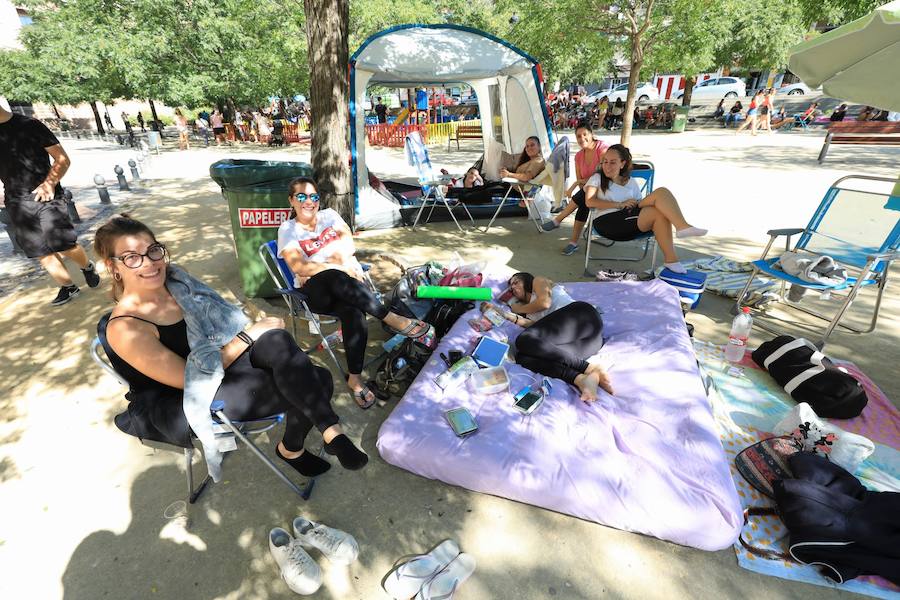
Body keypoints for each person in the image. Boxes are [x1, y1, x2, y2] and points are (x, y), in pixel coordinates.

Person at [95, 215, 368, 475]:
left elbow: (221, 324)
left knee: (277, 340)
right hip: (192, 393)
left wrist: (252, 334)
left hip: (223, 357)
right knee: (316, 380)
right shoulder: (125, 328)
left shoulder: (178, 283)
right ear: (112, 266)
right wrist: (249, 336)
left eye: (153, 251)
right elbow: (188, 380)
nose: (149, 264)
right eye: (131, 258)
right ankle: (295, 448)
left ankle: (326, 435)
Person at [278, 177, 436, 408]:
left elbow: (348, 245)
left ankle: (354, 378)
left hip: (344, 287)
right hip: (315, 293)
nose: (308, 201)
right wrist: (340, 266)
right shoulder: (288, 229)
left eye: (313, 196)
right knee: (334, 275)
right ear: (291, 200)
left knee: (354, 313)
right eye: (301, 196)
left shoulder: (330, 215)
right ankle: (393, 319)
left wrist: (344, 262)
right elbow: (300, 267)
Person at [0, 104, 101, 305]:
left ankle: (87, 266)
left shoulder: (30, 125)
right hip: (16, 201)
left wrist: (49, 184)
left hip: (47, 195)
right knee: (41, 251)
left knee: (62, 243)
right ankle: (68, 287)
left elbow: (62, 159)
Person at [482, 272, 612, 402]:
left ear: (527, 279)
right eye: (510, 288)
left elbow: (544, 303)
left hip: (583, 316)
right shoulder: (528, 313)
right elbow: (536, 332)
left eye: (516, 282)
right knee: (523, 358)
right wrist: (504, 314)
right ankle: (580, 378)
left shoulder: (538, 282)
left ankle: (589, 368)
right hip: (589, 343)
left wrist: (517, 308)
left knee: (522, 340)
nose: (513, 288)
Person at [584, 144, 707, 274]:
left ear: (622, 164)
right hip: (607, 222)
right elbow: (589, 201)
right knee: (657, 212)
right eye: (605, 162)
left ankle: (675, 251)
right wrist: (619, 204)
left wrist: (631, 204)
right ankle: (680, 232)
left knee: (661, 195)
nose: (607, 166)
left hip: (629, 217)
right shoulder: (597, 178)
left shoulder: (631, 182)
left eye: (613, 162)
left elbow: (638, 203)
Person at [541, 122, 609, 255]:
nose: (582, 138)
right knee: (584, 198)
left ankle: (558, 220)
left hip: (606, 189)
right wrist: (581, 184)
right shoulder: (578, 156)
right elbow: (582, 182)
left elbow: (604, 174)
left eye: (585, 134)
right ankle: (572, 242)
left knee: (584, 195)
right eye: (578, 136)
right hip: (589, 192)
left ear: (592, 134)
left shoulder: (602, 148)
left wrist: (576, 185)